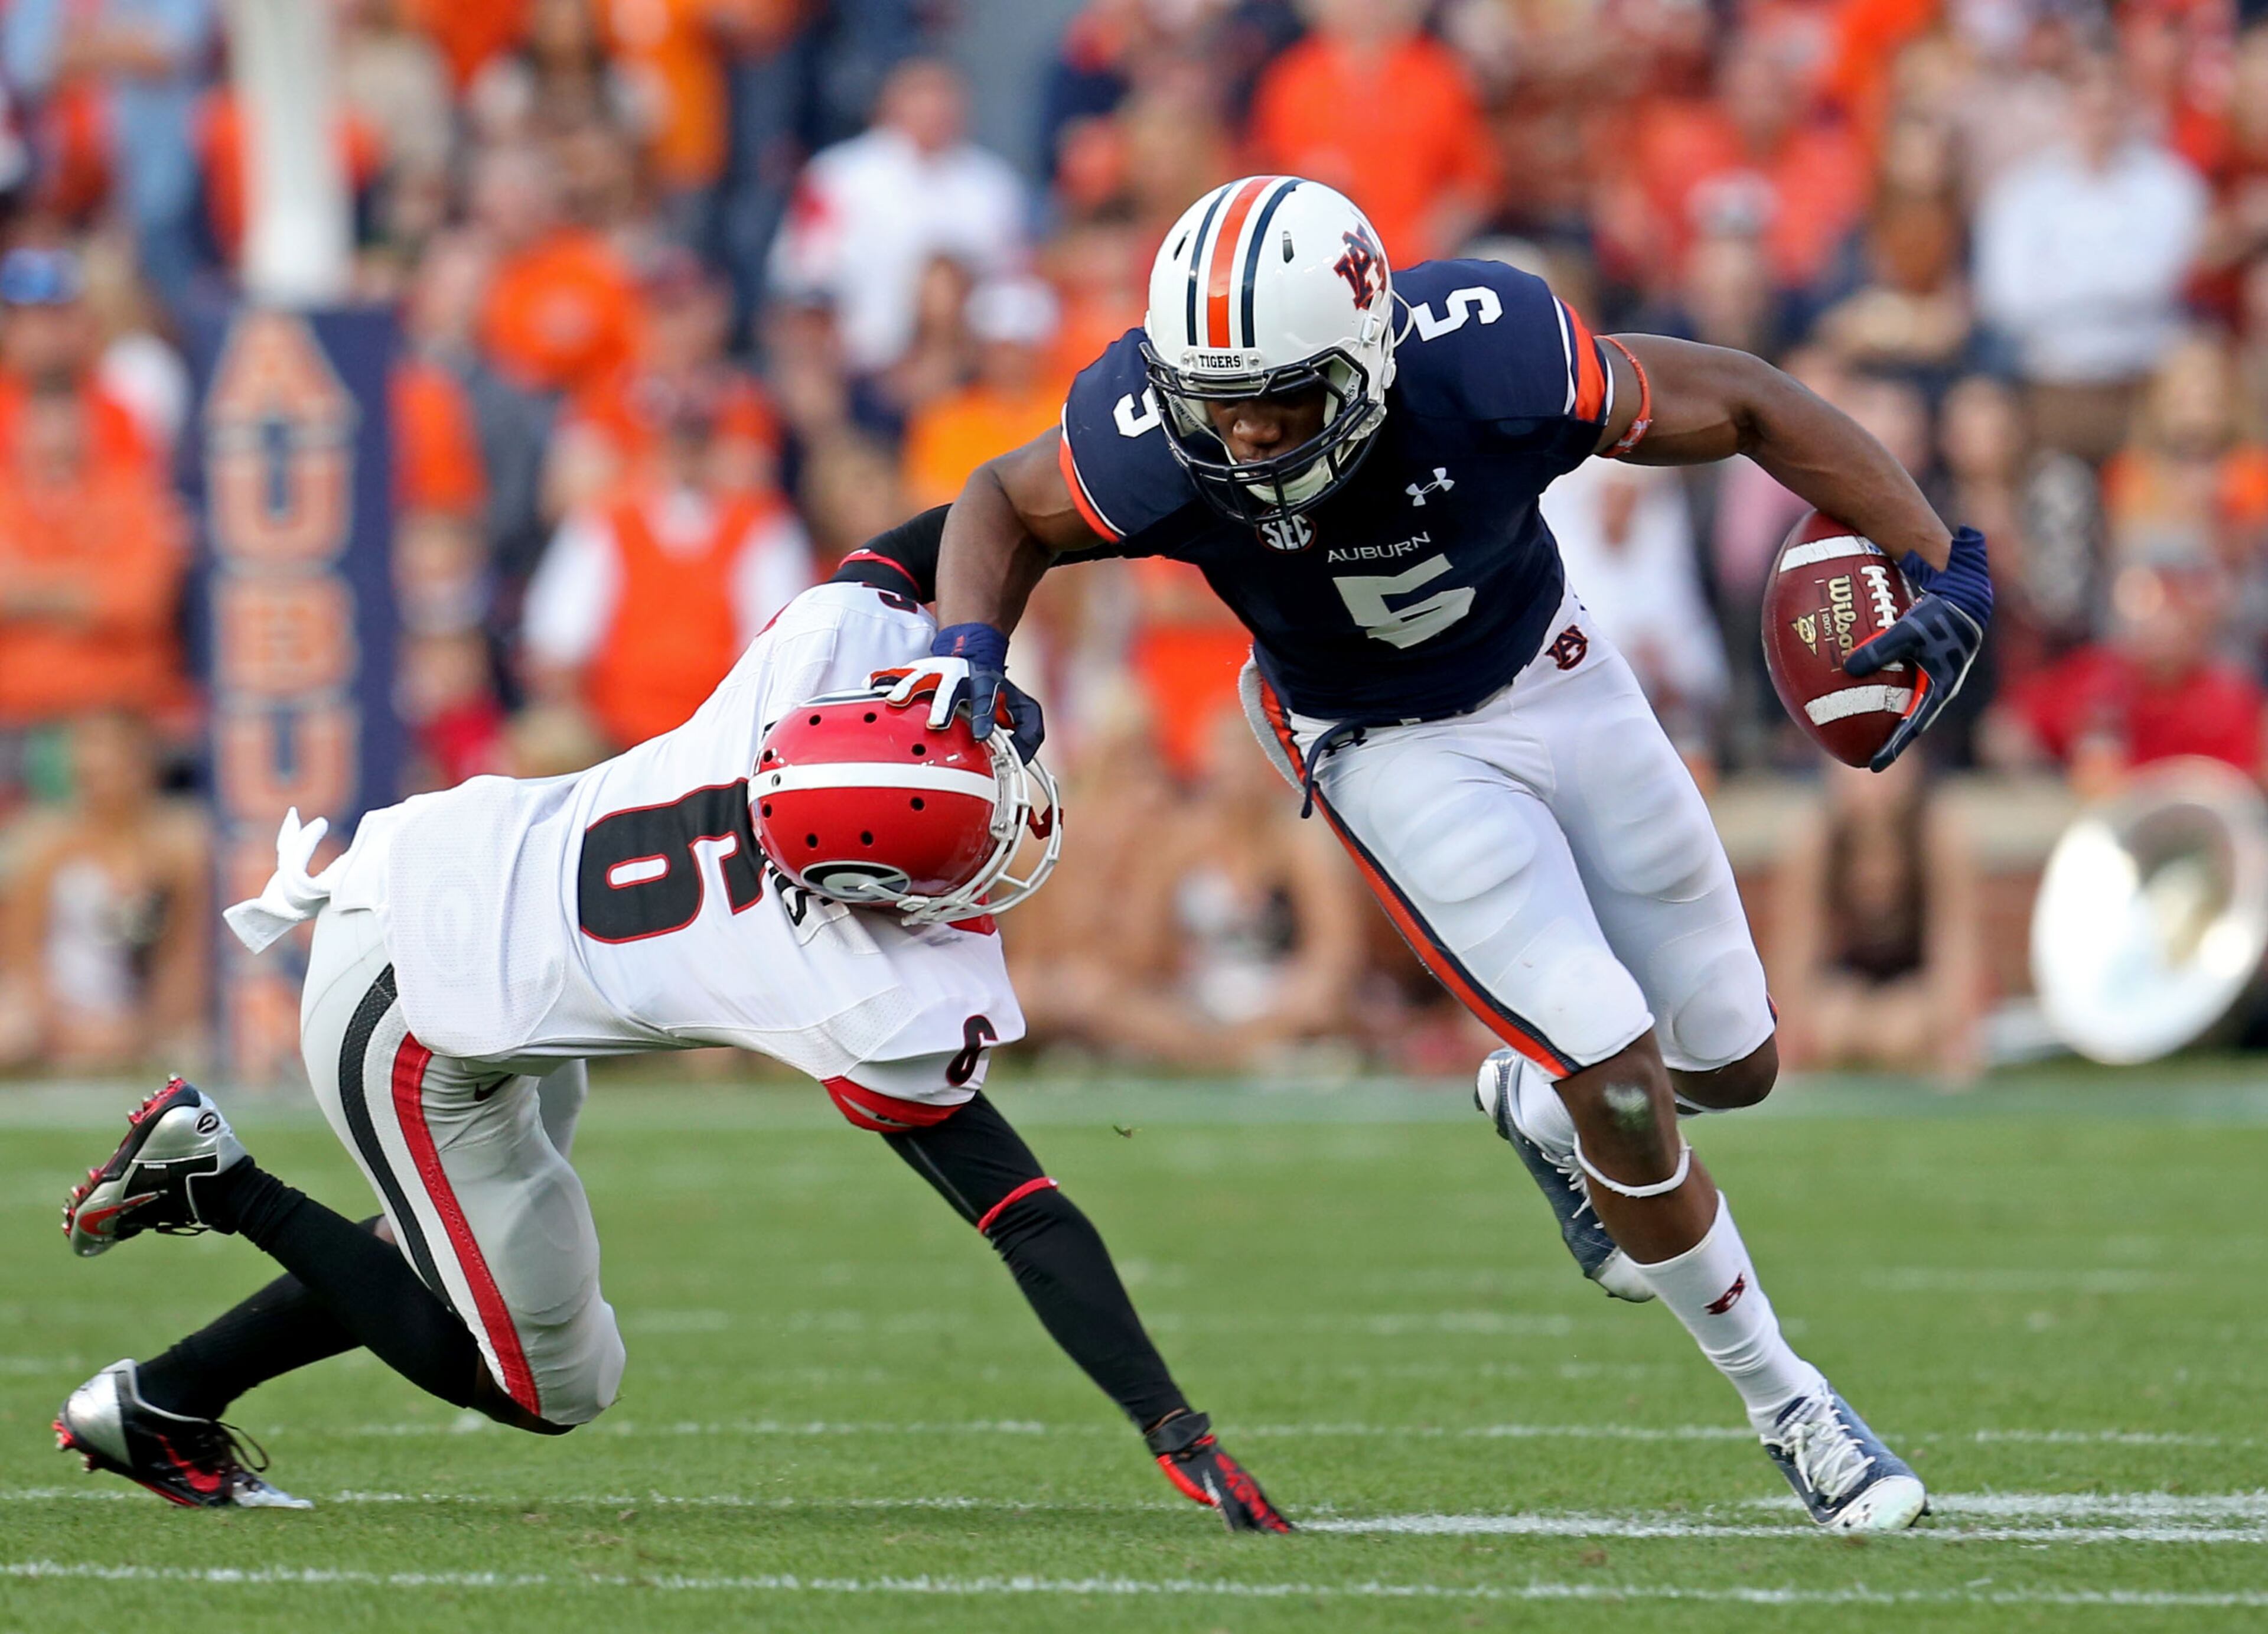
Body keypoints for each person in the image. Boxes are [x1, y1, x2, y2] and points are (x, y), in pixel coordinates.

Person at [895, 177, 1996, 1532]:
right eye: (1213, 404)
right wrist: (968, 657)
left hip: (1559, 677)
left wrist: (1940, 558)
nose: (1237, 436)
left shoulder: (1488, 352)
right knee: (1616, 1063)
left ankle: (1538, 1113)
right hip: (1378, 740)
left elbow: (1752, 397)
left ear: (1363, 364)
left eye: (1278, 402)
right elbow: (999, 506)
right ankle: (1793, 1407)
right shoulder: (1149, 428)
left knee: (1734, 1065)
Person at [53, 509, 1288, 1534]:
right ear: (865, 881)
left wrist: (1110, 517)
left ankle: (158, 1404)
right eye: (970, 823)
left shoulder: (811, 673)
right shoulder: (847, 983)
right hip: (417, 1012)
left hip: (464, 879)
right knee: (546, 1382)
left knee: (448, 1249)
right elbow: (1023, 1212)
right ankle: (218, 1182)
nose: (1004, 823)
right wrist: (1170, 1421)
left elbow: (982, 513)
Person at [1771, 757, 1984, 1082]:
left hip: (1915, 985)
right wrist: (1787, 1045)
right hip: (1846, 985)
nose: (1872, 786)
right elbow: (1795, 944)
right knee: (1832, 1028)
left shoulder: (1935, 831)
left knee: (1901, 1034)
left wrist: (1955, 1039)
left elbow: (1956, 944)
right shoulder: (1818, 837)